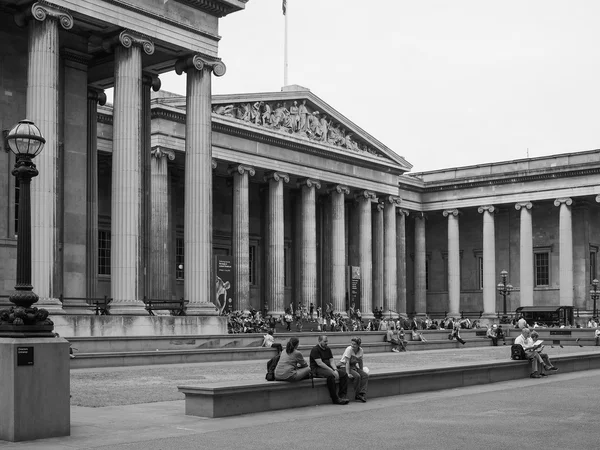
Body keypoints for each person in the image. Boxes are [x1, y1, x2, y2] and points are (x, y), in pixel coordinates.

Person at [310, 335, 349, 405]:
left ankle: (342, 396)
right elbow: (320, 363)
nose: (326, 343)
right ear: (319, 341)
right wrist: (332, 371)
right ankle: (335, 399)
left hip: (327, 368)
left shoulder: (327, 349)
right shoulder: (315, 350)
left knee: (344, 374)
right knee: (331, 376)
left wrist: (335, 369)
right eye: (325, 341)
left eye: (327, 341)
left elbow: (331, 361)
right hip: (317, 369)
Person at [339, 337, 368, 402]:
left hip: (353, 366)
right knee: (357, 376)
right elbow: (347, 362)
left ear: (358, 345)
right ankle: (357, 395)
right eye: (352, 344)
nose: (352, 345)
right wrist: (348, 373)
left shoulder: (361, 350)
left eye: (354, 344)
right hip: (344, 366)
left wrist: (361, 370)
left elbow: (360, 361)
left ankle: (362, 393)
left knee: (365, 375)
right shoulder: (349, 349)